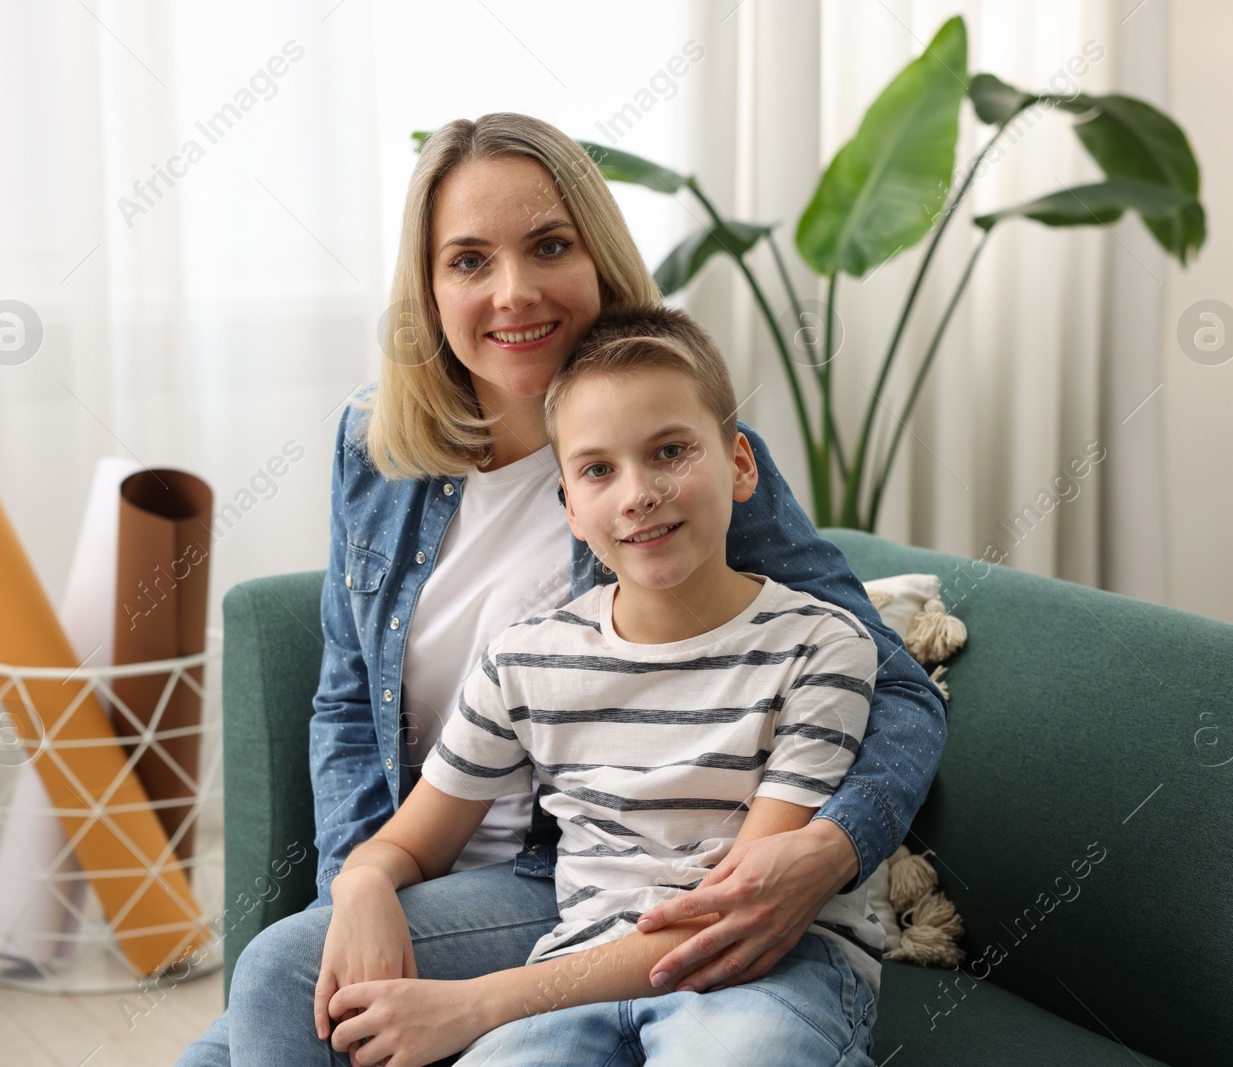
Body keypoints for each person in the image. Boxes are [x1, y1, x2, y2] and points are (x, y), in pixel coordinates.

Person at [175, 111, 945, 1067]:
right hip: (429, 860)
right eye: (467, 261)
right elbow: (345, 698)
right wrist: (357, 886)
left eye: (549, 246)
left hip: (573, 875)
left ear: (598, 257)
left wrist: (829, 848)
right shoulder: (372, 448)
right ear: (427, 288)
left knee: (276, 989)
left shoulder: (681, 465)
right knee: (275, 986)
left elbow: (898, 687)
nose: (513, 292)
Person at [320, 304, 885, 1067]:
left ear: (741, 464)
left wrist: (479, 1002)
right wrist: (362, 881)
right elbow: (407, 845)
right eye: (597, 470)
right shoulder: (527, 661)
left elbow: (736, 918)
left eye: (671, 450)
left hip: (767, 976)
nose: (638, 492)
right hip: (572, 973)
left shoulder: (820, 647)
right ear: (570, 508)